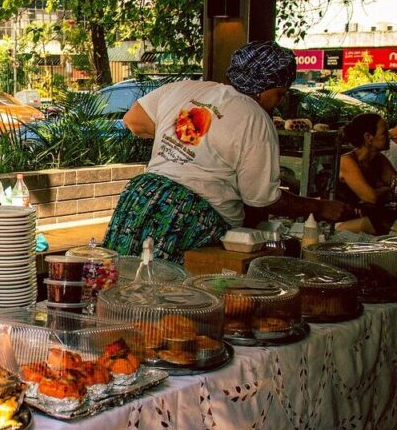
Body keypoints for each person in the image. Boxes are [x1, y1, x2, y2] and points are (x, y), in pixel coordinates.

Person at [103, 41, 351, 263]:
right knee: (169, 294)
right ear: (264, 87)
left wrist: (184, 146)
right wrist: (319, 208)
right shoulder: (256, 118)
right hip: (189, 215)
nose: (278, 102)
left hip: (142, 196)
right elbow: (260, 198)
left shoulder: (187, 89)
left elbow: (134, 119)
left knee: (123, 282)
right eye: (279, 93)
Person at [335, 113, 397, 235]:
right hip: (342, 224)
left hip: (368, 219)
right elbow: (370, 197)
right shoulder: (347, 161)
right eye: (384, 133)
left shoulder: (379, 159)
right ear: (368, 137)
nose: (389, 136)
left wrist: (387, 190)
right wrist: (387, 190)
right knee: (385, 223)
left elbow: (395, 185)